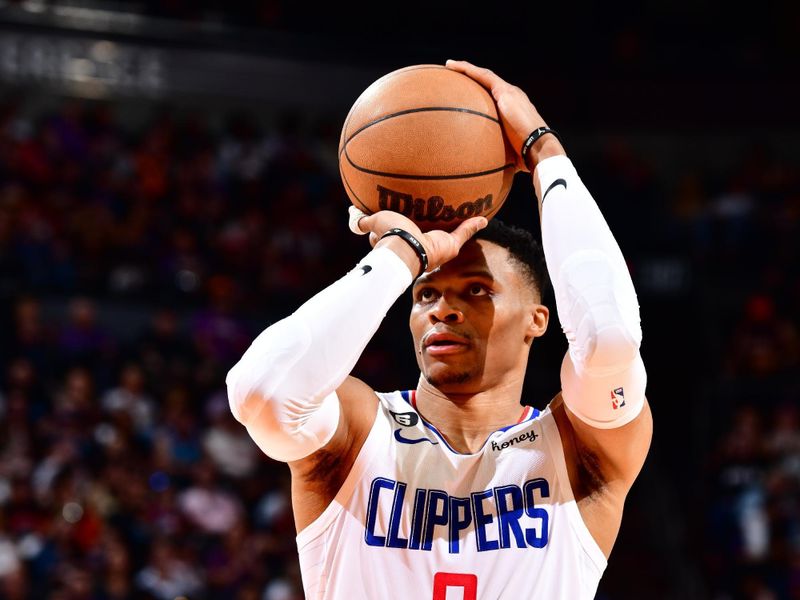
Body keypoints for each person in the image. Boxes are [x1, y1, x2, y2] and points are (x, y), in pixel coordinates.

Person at [226, 60, 652, 599]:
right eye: (426, 292)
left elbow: (609, 337)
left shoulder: (576, 448)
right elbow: (261, 392)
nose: (442, 308)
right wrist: (401, 256)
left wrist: (544, 151)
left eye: (477, 290)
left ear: (539, 319)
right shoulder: (361, 431)